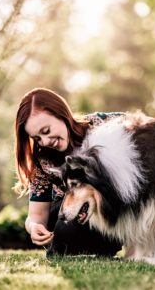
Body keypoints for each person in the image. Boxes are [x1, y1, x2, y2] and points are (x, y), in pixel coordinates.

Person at [14, 87, 126, 256]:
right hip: (68, 214)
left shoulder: (105, 125)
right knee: (64, 230)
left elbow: (147, 130)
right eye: (37, 138)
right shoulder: (42, 160)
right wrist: (33, 227)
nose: (45, 141)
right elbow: (36, 215)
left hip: (116, 208)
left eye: (46, 131)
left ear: (61, 114)